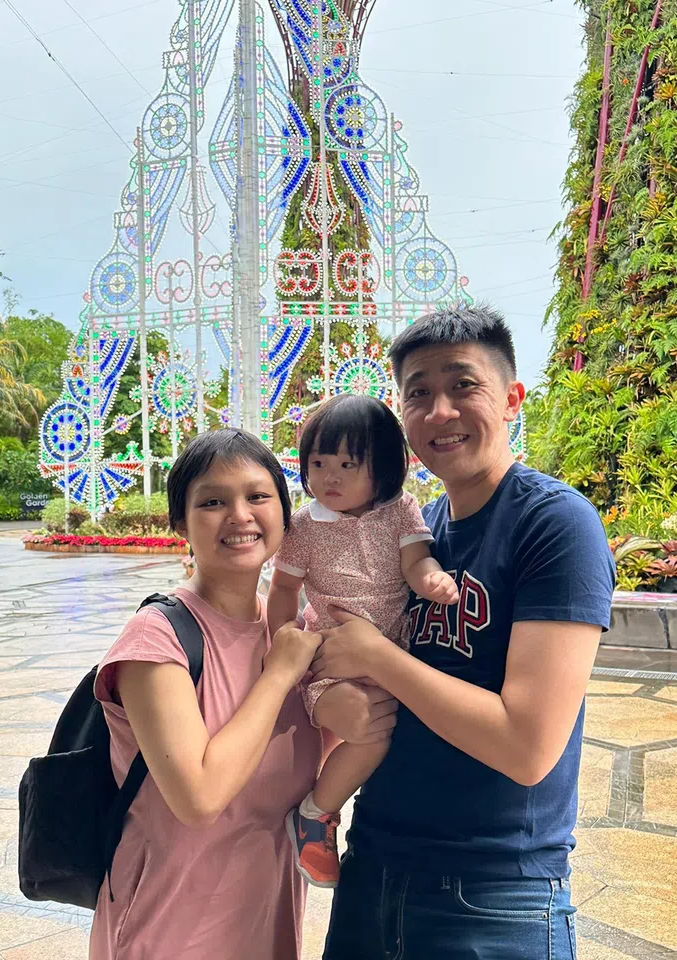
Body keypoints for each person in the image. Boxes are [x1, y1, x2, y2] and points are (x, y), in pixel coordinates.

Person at [310, 306, 616, 960]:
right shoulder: (416, 536)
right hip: (373, 871)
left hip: (494, 894)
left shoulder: (555, 526)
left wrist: (380, 660)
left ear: (510, 400)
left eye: (463, 386)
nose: (440, 409)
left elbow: (527, 745)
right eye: (418, 392)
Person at [89, 429, 377, 960]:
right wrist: (278, 674)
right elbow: (198, 798)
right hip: (169, 929)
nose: (240, 515)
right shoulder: (158, 638)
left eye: (258, 496)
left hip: (267, 926)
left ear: (286, 515)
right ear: (181, 523)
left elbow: (344, 746)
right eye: (213, 501)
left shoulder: (300, 631)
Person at [268, 395, 458, 888]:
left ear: (385, 468)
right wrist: (282, 648)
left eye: (349, 464)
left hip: (390, 655)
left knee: (385, 726)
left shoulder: (400, 512)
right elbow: (284, 590)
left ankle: (318, 810)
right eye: (318, 463)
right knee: (366, 727)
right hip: (327, 663)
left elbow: (417, 560)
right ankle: (317, 815)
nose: (330, 477)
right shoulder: (303, 526)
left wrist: (430, 579)